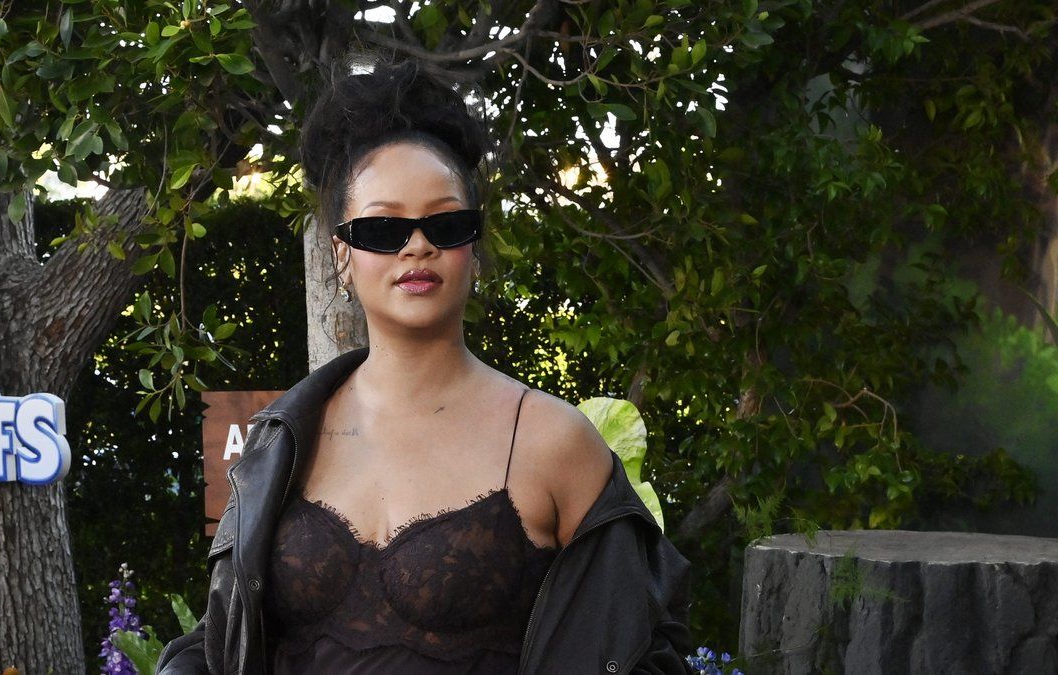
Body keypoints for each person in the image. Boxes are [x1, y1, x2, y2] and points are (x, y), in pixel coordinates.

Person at [157, 53, 693, 674]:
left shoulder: (552, 442)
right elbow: (226, 637)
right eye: (384, 229)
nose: (417, 245)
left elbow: (644, 647)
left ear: (474, 245)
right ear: (341, 253)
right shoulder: (282, 439)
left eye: (445, 224)